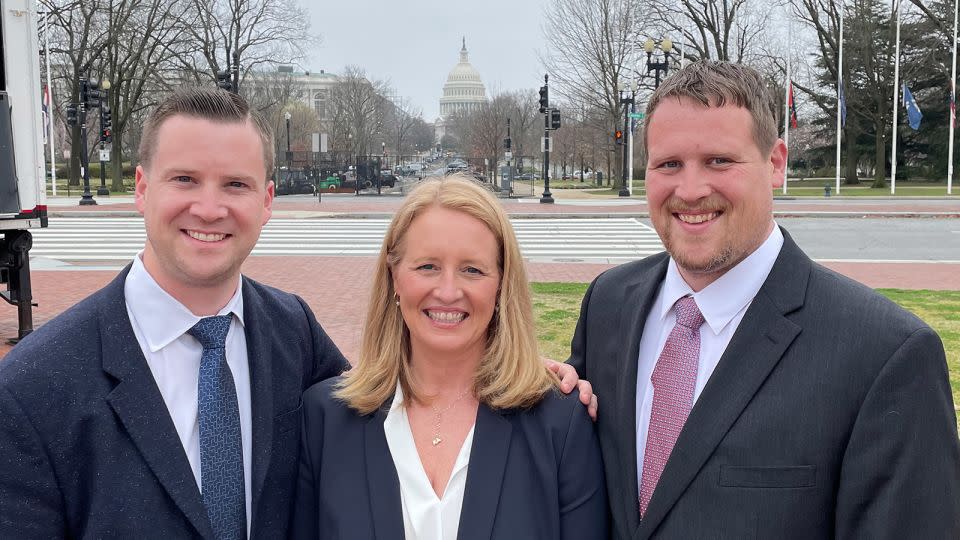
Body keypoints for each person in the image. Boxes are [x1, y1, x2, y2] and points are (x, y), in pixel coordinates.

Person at [567, 60, 960, 538]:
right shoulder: (609, 306)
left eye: (719, 161)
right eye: (669, 164)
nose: (690, 190)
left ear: (775, 163)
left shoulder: (885, 355)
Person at [0, 87, 350, 538]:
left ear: (266, 201)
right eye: (184, 179)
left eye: (235, 184)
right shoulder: (34, 385)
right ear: (143, 189)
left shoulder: (294, 333)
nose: (208, 209)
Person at [292, 176, 608, 539]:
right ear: (394, 276)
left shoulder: (560, 422)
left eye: (472, 270)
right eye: (427, 266)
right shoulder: (323, 420)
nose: (447, 291)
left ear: (501, 284)